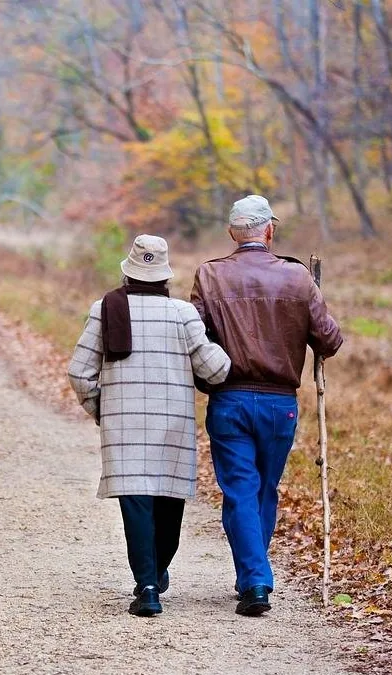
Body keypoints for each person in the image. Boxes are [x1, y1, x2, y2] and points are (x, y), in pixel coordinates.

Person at [190, 195, 343, 617]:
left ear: (231, 234)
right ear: (269, 231)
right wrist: (310, 300)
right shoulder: (297, 278)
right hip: (280, 405)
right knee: (263, 489)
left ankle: (254, 578)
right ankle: (255, 577)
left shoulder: (209, 275)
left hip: (229, 398)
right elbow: (330, 340)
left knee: (240, 490)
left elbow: (193, 336)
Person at [67, 234, 231, 617]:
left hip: (123, 427)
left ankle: (148, 585)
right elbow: (216, 370)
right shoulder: (183, 314)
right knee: (168, 503)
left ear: (128, 273)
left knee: (136, 503)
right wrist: (222, 345)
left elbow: (79, 372)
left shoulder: (104, 309)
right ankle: (155, 573)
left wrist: (102, 409)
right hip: (172, 424)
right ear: (165, 277)